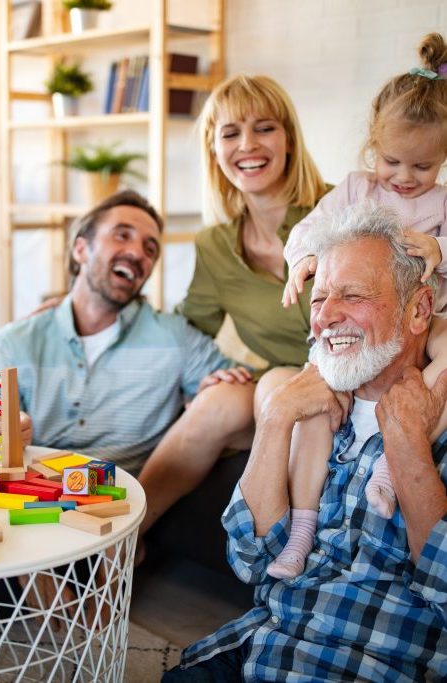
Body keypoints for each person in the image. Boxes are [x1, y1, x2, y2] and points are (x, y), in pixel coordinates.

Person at [164, 202, 447, 681]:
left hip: (372, 666)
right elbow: (250, 560)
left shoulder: (437, 418)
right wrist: (276, 417)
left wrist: (407, 447)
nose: (327, 317)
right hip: (260, 647)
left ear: (420, 309)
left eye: (353, 295)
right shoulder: (312, 411)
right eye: (318, 300)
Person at [270, 32, 447, 579]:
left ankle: (394, 469)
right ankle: (300, 531)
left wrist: (440, 253)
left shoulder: (443, 204)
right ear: (373, 148)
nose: (404, 177)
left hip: (423, 321)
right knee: (316, 408)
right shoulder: (354, 190)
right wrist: (304, 261)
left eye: (422, 167)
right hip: (355, 330)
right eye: (393, 161)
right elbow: (306, 231)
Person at [136, 73, 328, 537]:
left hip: (350, 374)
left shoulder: (340, 208)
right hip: (280, 379)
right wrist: (81, 304)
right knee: (216, 401)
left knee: (277, 395)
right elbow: (187, 326)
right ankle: (122, 542)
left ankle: (281, 552)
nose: (248, 145)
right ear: (214, 150)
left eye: (264, 128)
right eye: (230, 133)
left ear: (288, 139)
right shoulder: (215, 246)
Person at [0, 189, 233, 475]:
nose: (138, 252)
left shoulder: (177, 340)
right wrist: (2, 430)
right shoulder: (10, 345)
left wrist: (212, 396)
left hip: (130, 510)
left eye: (150, 249)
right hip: (26, 506)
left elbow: (241, 400)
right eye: (122, 235)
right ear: (81, 250)